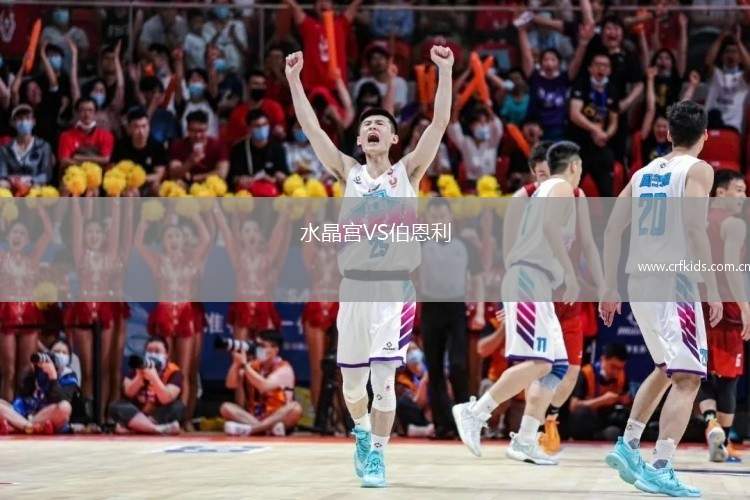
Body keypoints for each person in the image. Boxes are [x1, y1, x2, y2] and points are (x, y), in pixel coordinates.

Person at [286, 44, 454, 487]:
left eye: (381, 124)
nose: (374, 127)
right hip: (354, 288)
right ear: (359, 141)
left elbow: (439, 123)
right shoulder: (349, 172)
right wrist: (294, 81)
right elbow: (311, 128)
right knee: (352, 387)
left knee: (383, 381)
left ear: (394, 139)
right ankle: (362, 433)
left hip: (394, 290)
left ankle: (378, 455)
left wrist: (445, 71)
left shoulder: (408, 172)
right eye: (367, 126)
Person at [600, 100, 723, 497]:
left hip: (639, 281)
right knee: (688, 378)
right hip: (675, 281)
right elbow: (695, 228)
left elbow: (612, 228)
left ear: (668, 134)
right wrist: (713, 287)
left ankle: (628, 444)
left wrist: (608, 286)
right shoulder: (698, 170)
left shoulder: (642, 173)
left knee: (665, 367)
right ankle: (661, 466)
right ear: (705, 136)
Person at [502, 140, 605, 456]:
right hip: (535, 286)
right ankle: (522, 429)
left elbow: (588, 243)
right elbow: (510, 251)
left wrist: (603, 286)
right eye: (542, 175)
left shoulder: (576, 195)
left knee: (568, 368)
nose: (548, 181)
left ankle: (544, 420)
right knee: (539, 364)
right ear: (534, 174)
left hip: (566, 293)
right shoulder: (525, 198)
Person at [134, 213, 211, 421]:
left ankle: (183, 418)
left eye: (177, 236)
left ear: (184, 240)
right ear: (163, 242)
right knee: (166, 369)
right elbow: (138, 243)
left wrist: (194, 214)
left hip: (186, 315)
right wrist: (145, 221)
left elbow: (206, 238)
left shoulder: (192, 259)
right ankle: (164, 416)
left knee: (184, 370)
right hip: (164, 314)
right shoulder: (157, 261)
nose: (173, 240)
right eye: (169, 237)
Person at [419, 198, 484, 439]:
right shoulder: (418, 244)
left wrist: (479, 311)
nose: (438, 221)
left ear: (450, 218)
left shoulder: (465, 245)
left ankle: (465, 422)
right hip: (430, 308)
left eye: (442, 216)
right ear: (427, 220)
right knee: (434, 368)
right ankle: (442, 425)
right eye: (433, 217)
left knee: (458, 365)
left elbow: (477, 279)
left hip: (456, 308)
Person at [697, 169, 750, 463]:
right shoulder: (734, 224)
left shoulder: (697, 220)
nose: (744, 196)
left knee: (700, 371)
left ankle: (710, 422)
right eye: (738, 190)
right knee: (729, 378)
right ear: (720, 192)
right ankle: (725, 443)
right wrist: (745, 307)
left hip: (697, 302)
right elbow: (731, 269)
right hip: (726, 306)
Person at [65, 198, 122, 423]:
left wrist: (116, 201)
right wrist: (77, 199)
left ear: (103, 235)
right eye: (89, 232)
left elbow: (116, 232)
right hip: (84, 310)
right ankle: (89, 417)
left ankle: (103, 416)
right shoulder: (80, 254)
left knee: (104, 368)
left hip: (105, 310)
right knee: (88, 369)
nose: (93, 235)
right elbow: (77, 224)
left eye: (98, 232)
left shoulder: (110, 254)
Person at [212, 203, 289, 342]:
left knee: (267, 348)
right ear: (241, 237)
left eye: (255, 230)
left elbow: (278, 232)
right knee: (241, 350)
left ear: (260, 235)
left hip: (263, 307)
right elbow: (224, 228)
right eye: (247, 231)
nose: (251, 234)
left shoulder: (268, 256)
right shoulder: (237, 256)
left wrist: (285, 212)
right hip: (243, 307)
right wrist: (215, 205)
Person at [0, 208, 53, 402]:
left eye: (22, 233)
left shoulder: (33, 259)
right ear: (8, 237)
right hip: (6, 314)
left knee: (26, 370)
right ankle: (5, 413)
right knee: (8, 371)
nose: (18, 236)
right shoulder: (2, 257)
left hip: (29, 315)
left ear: (28, 240)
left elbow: (48, 233)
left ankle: (23, 412)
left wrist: (40, 207)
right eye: (14, 232)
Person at [220, 330, 303, 436]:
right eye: (257, 346)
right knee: (225, 407)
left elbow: (264, 386)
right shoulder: (253, 365)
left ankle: (252, 430)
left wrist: (245, 365)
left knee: (295, 407)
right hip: (254, 418)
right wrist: (236, 364)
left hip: (278, 418)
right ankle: (265, 429)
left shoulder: (284, 368)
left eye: (263, 346)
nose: (259, 350)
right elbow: (231, 384)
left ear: (275, 349)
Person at [568, 52, 618, 196]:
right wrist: (595, 130)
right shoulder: (581, 84)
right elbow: (574, 114)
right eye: (597, 65)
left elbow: (614, 121)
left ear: (609, 70)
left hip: (600, 146)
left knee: (607, 193)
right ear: (590, 68)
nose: (601, 68)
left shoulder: (612, 90)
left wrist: (605, 135)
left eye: (605, 66)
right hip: (579, 145)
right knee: (570, 190)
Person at [108, 337, 182, 435]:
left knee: (178, 407)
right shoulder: (137, 366)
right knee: (116, 406)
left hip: (157, 414)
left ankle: (138, 427)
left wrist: (154, 378)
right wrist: (139, 377)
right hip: (136, 412)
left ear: (166, 354)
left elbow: (166, 398)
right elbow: (128, 393)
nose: (153, 354)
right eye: (149, 351)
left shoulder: (174, 372)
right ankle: (156, 429)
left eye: (157, 351)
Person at [284, 0, 362, 90]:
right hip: (313, 85)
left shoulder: (341, 24)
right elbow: (294, 7)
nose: (323, 3)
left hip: (336, 85)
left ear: (333, 6)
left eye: (327, 1)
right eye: (319, 1)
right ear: (314, 8)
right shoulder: (308, 25)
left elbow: (356, 4)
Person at [568, 343, 631, 441]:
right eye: (613, 366)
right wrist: (602, 400)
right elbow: (574, 406)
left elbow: (625, 399)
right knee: (581, 414)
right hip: (590, 419)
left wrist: (625, 401)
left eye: (620, 368)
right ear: (603, 359)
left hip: (608, 418)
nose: (616, 372)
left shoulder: (622, 376)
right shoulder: (586, 373)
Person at [0, 351, 72, 435]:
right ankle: (28, 427)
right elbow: (20, 402)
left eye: (63, 352)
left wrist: (53, 377)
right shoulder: (33, 376)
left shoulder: (68, 376)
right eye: (56, 351)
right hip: (23, 415)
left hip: (45, 416)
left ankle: (18, 427)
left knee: (65, 407)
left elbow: (60, 400)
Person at [111, 106, 168, 195]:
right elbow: (112, 169)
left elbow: (159, 174)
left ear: (149, 127)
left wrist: (137, 179)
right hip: (126, 185)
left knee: (157, 188)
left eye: (144, 126)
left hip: (148, 183)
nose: (141, 131)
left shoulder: (157, 146)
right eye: (136, 127)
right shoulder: (121, 145)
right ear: (129, 128)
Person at [228, 109, 290, 190]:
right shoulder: (239, 149)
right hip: (248, 192)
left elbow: (285, 175)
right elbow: (232, 177)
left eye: (265, 124)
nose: (262, 128)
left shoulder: (278, 148)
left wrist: (281, 178)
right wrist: (239, 179)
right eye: (257, 126)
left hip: (273, 191)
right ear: (249, 128)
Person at [0, 104, 55, 193]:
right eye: (19, 118)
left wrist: (30, 181)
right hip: (12, 189)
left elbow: (46, 175)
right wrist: (13, 181)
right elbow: (2, 174)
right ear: (12, 123)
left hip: (35, 189)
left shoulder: (44, 146)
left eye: (28, 118)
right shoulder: (4, 149)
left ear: (33, 122)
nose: (24, 121)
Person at [704, 26, 750, 131]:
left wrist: (738, 41)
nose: (731, 55)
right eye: (727, 51)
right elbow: (708, 63)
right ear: (722, 56)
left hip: (732, 128)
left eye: (734, 52)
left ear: (740, 58)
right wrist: (720, 38)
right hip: (710, 126)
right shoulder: (716, 74)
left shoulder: (743, 77)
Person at [225, 69, 287, 146]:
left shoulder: (274, 107)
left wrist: (279, 132)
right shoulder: (237, 113)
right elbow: (231, 141)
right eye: (256, 84)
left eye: (263, 84)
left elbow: (282, 134)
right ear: (247, 86)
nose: (260, 87)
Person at [168, 110, 229, 183]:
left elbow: (222, 173)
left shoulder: (218, 145)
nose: (198, 135)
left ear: (207, 129)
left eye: (201, 131)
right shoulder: (178, 145)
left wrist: (194, 178)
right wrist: (189, 163)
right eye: (193, 131)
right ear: (187, 130)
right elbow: (173, 174)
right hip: (184, 186)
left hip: (209, 185)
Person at [447, 103, 503, 183]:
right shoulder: (466, 142)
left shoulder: (492, 142)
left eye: (486, 123)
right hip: (471, 183)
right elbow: (454, 130)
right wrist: (456, 111)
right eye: (480, 123)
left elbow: (497, 128)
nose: (484, 126)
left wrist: (489, 110)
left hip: (489, 183)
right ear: (472, 126)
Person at [58, 97, 115, 170]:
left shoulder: (106, 135)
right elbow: (64, 160)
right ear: (77, 113)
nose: (87, 114)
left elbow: (106, 159)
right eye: (82, 110)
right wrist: (95, 161)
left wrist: (78, 157)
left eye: (90, 110)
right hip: (75, 174)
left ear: (96, 113)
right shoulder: (66, 135)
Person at [395, 343, 434, 438]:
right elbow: (417, 401)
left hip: (431, 409)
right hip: (418, 410)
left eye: (414, 349)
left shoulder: (430, 370)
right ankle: (421, 429)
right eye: (410, 351)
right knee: (403, 402)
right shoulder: (404, 378)